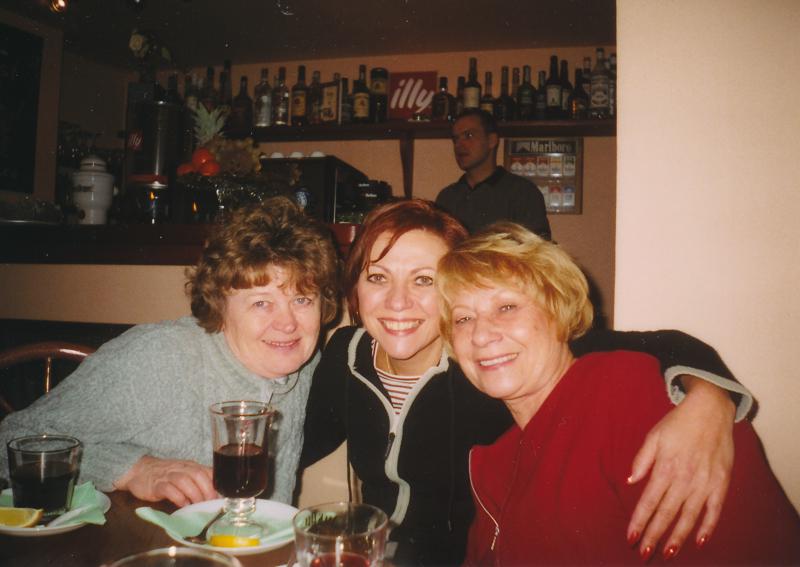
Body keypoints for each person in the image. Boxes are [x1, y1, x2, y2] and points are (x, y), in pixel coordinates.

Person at [300, 199, 752, 566]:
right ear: (354, 288)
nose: (397, 301)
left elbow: (662, 344)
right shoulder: (345, 354)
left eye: (423, 280)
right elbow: (303, 439)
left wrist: (709, 399)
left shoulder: (489, 363)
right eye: (377, 277)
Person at [437, 222, 800, 565]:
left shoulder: (627, 394)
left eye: (507, 307)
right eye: (463, 318)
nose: (480, 335)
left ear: (558, 310)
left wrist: (710, 393)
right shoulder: (496, 459)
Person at [0, 197, 340, 507]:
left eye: (302, 300)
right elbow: (10, 442)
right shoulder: (159, 357)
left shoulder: (304, 365)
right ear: (220, 307)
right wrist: (132, 469)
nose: (287, 323)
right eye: (261, 303)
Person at [435, 108, 551, 237]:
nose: (459, 145)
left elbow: (538, 247)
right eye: (455, 139)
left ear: (492, 140)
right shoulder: (447, 198)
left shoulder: (522, 193)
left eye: (469, 136)